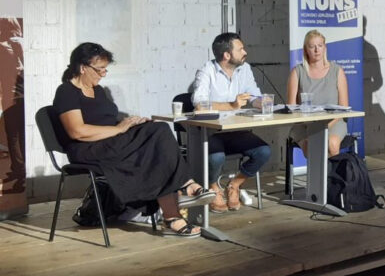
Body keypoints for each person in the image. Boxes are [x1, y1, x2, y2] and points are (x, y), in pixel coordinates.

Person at [53, 42, 214, 238]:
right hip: (87, 149)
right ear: (82, 67)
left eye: (105, 69)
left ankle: (172, 215)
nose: (103, 74)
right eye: (100, 69)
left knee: (156, 137)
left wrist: (131, 124)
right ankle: (183, 189)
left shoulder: (98, 90)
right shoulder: (66, 92)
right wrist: (119, 129)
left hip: (110, 142)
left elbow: (107, 121)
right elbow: (77, 131)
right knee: (158, 132)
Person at [191, 33, 272, 213]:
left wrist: (263, 102)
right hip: (211, 132)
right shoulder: (207, 71)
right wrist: (231, 105)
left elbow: (254, 96)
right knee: (216, 157)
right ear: (227, 55)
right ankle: (213, 187)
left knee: (263, 151)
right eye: (240, 49)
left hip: (235, 130)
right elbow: (199, 104)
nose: (245, 52)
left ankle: (234, 185)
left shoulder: (245, 69)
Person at [286, 29, 349, 157]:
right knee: (310, 145)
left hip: (333, 121)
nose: (316, 50)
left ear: (324, 48)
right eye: (312, 46)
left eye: (320, 46)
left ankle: (331, 171)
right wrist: (311, 125)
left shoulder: (337, 71)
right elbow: (291, 108)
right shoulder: (297, 72)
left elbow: (344, 108)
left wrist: (324, 126)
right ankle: (317, 171)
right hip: (304, 124)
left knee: (332, 144)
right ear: (305, 50)